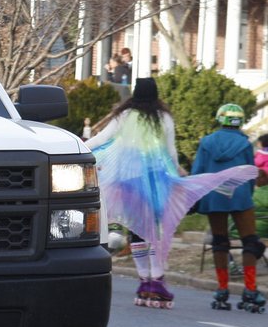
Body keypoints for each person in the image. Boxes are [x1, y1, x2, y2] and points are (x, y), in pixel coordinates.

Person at [85, 79, 255, 309]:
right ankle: (157, 281)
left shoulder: (124, 116)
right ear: (156, 95)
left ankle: (144, 281)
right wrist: (177, 172)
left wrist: (79, 147)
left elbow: (101, 139)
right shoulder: (163, 117)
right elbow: (170, 150)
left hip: (127, 179)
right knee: (153, 229)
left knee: (136, 229)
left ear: (135, 94)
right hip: (156, 180)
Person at [193, 104, 265, 313]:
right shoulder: (244, 144)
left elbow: (198, 172)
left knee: (220, 241)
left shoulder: (206, 142)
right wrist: (247, 194)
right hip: (240, 195)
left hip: (214, 196)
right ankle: (250, 289)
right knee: (250, 241)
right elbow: (250, 173)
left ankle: (222, 289)